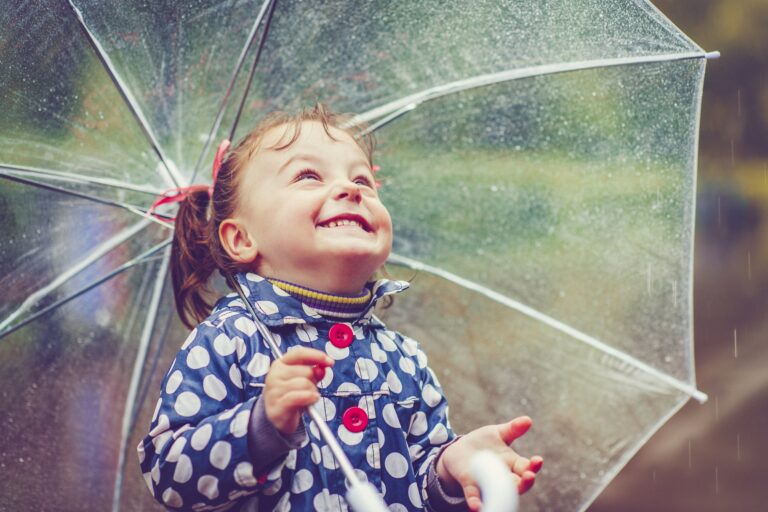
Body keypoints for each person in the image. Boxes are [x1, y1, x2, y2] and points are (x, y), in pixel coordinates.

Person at [138, 104, 543, 512]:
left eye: (363, 179)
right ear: (241, 239)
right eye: (308, 176)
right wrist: (261, 426)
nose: (351, 189)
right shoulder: (228, 342)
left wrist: (450, 470)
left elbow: (419, 483)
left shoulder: (403, 359)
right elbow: (167, 472)